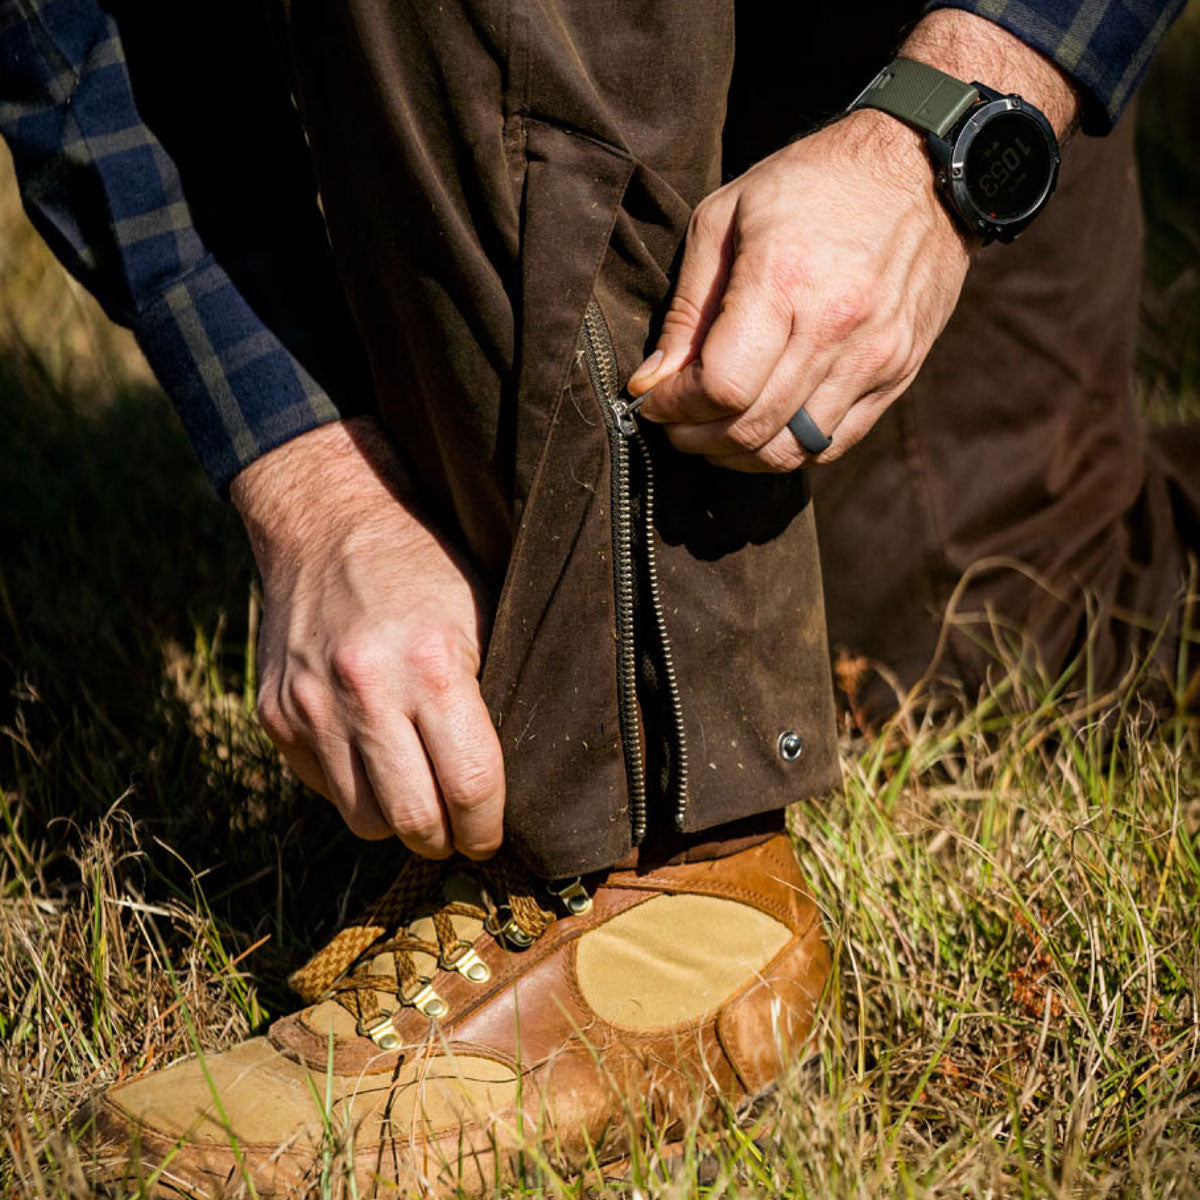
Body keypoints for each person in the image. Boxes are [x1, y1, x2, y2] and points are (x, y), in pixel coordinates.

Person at [0, 0, 1187, 1193]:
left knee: (995, 613)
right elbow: (68, 30)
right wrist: (311, 477)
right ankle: (639, 865)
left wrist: (958, 125)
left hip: (916, 38)